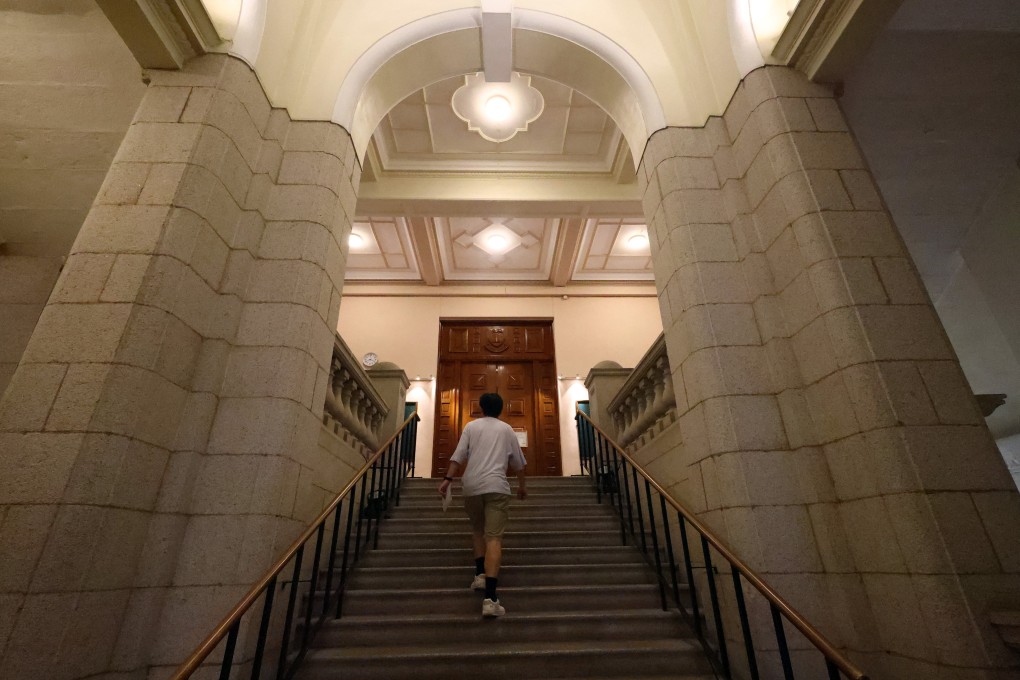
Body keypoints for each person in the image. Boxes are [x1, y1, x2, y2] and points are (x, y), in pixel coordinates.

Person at [437, 392, 527, 617]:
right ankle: (490, 598)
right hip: (496, 486)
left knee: (477, 531)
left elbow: (458, 456)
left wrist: (447, 479)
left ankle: (479, 576)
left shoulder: (471, 427)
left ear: (481, 407)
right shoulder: (506, 429)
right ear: (501, 409)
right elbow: (518, 463)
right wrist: (522, 487)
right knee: (493, 538)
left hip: (472, 486)